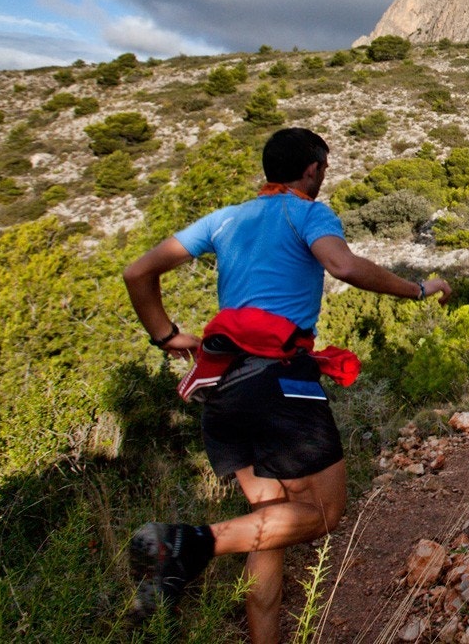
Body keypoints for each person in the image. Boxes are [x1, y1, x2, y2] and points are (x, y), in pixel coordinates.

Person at [122, 127, 450, 643]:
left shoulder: (226, 218)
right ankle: (187, 545)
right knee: (322, 512)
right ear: (313, 169)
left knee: (271, 519)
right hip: (279, 381)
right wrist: (417, 288)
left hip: (222, 383)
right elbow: (342, 265)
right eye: (324, 167)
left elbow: (138, 271)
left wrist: (165, 336)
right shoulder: (307, 212)